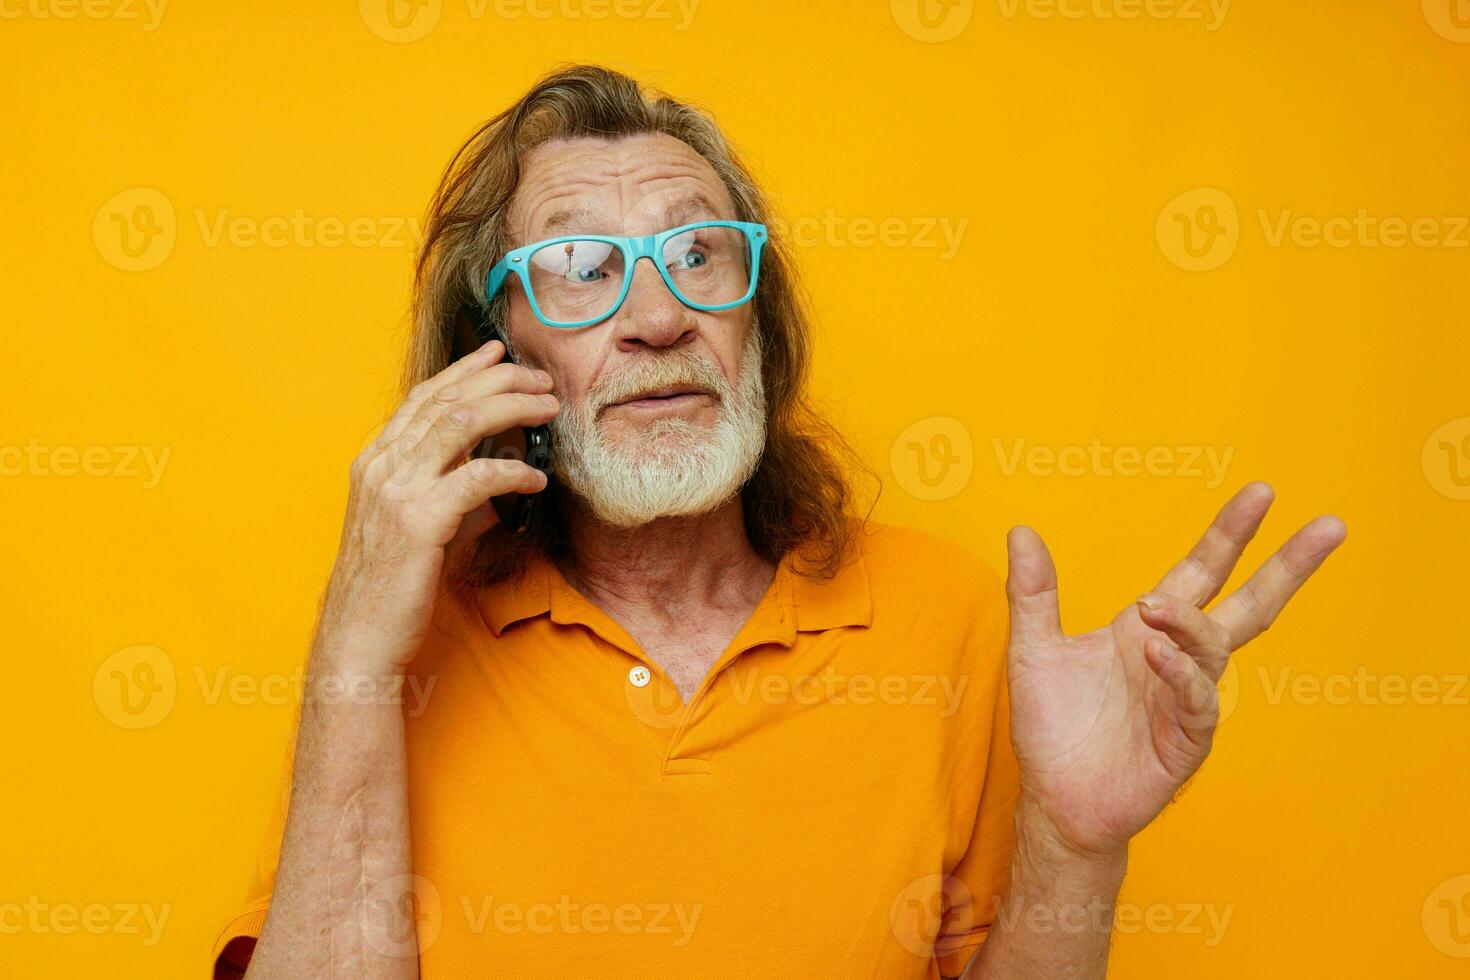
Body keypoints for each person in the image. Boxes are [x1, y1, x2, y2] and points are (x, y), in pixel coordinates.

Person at [213, 64, 1345, 979]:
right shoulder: (409, 651)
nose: (657, 315)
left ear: (758, 313)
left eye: (698, 253)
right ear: (495, 343)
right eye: (579, 266)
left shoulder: (944, 617)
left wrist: (1077, 844)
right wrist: (355, 656)